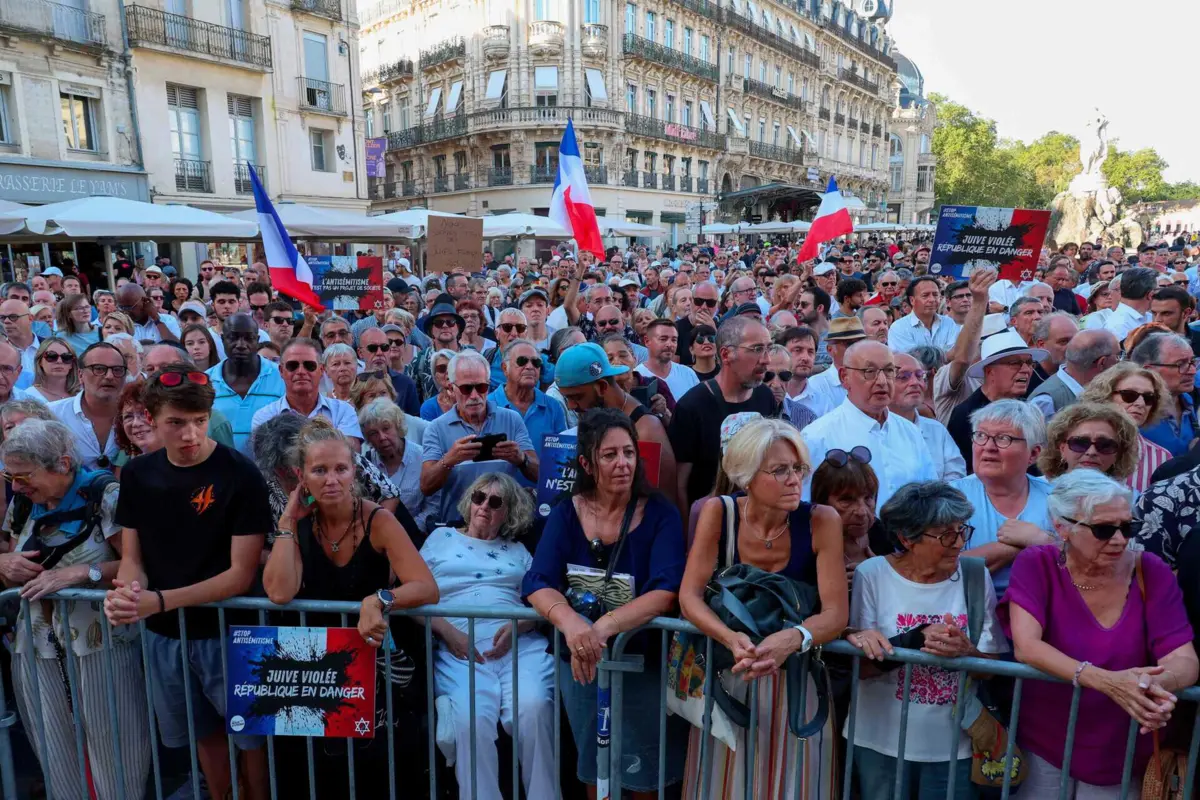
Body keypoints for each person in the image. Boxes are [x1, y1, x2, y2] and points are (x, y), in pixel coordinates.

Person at [103, 364, 272, 800]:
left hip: (232, 632)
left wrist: (156, 601)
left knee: (251, 737)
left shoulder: (240, 473)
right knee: (201, 735)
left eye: (198, 422)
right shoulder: (138, 475)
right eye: (176, 424)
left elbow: (239, 575)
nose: (190, 435)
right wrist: (127, 593)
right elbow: (132, 559)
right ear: (152, 420)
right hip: (165, 635)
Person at [261, 417, 438, 797]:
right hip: (318, 673)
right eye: (319, 470)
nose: (331, 480)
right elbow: (279, 592)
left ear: (354, 471)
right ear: (300, 475)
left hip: (379, 670)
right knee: (321, 775)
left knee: (381, 774)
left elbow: (425, 586)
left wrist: (380, 599)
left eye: (341, 469)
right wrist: (289, 520)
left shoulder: (379, 519)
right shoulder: (300, 524)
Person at [678, 418, 847, 799]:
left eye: (798, 468)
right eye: (780, 470)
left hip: (797, 680)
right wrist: (730, 637)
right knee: (724, 786)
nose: (794, 480)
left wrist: (794, 637)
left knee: (796, 785)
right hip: (731, 673)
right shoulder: (718, 513)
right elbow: (688, 597)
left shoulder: (822, 521)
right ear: (746, 476)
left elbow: (836, 614)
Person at [1001, 469, 1198, 795]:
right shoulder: (1037, 564)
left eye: (1127, 527)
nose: (1120, 539)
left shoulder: (1151, 570)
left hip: (1123, 745)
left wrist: (1152, 685)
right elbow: (1027, 647)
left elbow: (1184, 658)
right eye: (1104, 529)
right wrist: (1108, 682)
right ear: (1063, 528)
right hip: (1047, 739)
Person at [524, 408, 688, 796]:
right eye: (610, 455)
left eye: (629, 453)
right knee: (594, 769)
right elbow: (537, 581)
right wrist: (570, 622)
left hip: (641, 662)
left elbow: (666, 590)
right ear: (587, 463)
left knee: (644, 771)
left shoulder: (660, 512)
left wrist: (604, 626)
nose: (623, 463)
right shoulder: (567, 511)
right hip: (582, 662)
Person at [0, 418, 148, 799]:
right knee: (54, 747)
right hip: (36, 645)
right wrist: (5, 565)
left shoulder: (106, 495)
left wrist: (83, 573)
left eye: (24, 475)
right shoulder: (22, 502)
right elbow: (11, 568)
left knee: (114, 744)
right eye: (10, 475)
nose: (16, 485)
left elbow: (141, 566)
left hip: (102, 643)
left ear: (63, 464)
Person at [845, 481, 1007, 799]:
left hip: (954, 747)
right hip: (879, 743)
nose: (959, 542)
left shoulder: (975, 576)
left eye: (963, 530)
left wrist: (967, 652)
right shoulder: (873, 574)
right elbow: (861, 667)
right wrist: (915, 640)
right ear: (907, 538)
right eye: (946, 534)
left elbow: (992, 667)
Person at [421, 473, 556, 800]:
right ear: (469, 500)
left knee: (535, 706)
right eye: (479, 497)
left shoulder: (519, 551)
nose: (484, 506)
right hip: (459, 648)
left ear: (508, 513)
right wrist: (446, 630)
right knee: (472, 720)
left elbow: (546, 600)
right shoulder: (440, 541)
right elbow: (411, 597)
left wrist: (519, 626)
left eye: (496, 502)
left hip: (519, 645)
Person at [801, 341, 935, 510]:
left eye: (888, 371)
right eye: (869, 372)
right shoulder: (818, 436)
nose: (882, 381)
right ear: (844, 377)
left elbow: (930, 493)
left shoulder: (910, 431)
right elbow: (807, 506)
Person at [947, 400, 1053, 596]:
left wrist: (1041, 539)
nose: (988, 446)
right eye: (981, 436)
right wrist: (1022, 545)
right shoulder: (948, 499)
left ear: (1034, 453)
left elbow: (1080, 560)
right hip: (966, 614)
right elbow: (939, 570)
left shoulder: (1055, 500)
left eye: (1003, 438)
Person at [669, 317, 777, 510]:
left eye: (769, 348)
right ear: (726, 354)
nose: (766, 359)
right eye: (757, 349)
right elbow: (679, 484)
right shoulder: (692, 407)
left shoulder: (765, 396)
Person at [420, 350, 537, 527]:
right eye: (467, 389)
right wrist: (449, 460)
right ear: (451, 388)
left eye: (481, 388)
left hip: (504, 526)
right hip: (458, 526)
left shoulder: (511, 419)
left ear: (488, 386)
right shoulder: (436, 428)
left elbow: (539, 474)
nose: (474, 396)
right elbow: (426, 486)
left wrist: (521, 459)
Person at [946, 329, 1047, 472]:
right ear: (989, 371)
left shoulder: (1029, 409)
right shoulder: (965, 415)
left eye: (1030, 363)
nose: (1027, 369)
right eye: (1015, 363)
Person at [1078, 362, 1173, 492]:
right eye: (1129, 395)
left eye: (1148, 398)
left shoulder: (1162, 458)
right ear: (1105, 396)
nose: (1140, 403)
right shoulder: (1075, 447)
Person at [251, 338, 363, 446]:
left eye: (309, 365)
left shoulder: (343, 411)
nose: (301, 371)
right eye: (292, 366)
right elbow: (267, 461)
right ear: (281, 371)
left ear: (321, 370)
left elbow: (349, 456)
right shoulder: (265, 416)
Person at [206, 313, 285, 452]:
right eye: (233, 337)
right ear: (223, 339)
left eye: (249, 338)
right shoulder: (205, 381)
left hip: (269, 471)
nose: (241, 345)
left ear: (257, 340)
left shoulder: (281, 376)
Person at [48, 342, 127, 470]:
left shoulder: (138, 416)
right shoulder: (53, 414)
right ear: (80, 375)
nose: (109, 376)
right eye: (99, 369)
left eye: (117, 370)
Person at [890, 352, 966, 481]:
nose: (915, 382)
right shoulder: (873, 431)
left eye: (920, 376)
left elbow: (956, 477)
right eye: (903, 377)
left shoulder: (936, 430)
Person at [359, 398, 433, 530]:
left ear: (398, 426)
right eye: (373, 433)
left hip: (416, 536)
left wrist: (406, 531)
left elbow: (433, 507)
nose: (382, 437)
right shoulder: (367, 464)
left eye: (386, 428)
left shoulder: (423, 458)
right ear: (368, 439)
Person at [810, 446, 880, 585]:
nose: (861, 511)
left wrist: (882, 575)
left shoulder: (884, 536)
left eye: (868, 498)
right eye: (847, 500)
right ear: (822, 502)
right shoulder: (805, 545)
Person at [488, 339, 567, 452]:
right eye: (522, 361)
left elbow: (562, 456)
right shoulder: (488, 405)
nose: (530, 367)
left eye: (536, 362)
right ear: (505, 368)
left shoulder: (553, 406)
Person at [1037, 401, 1139, 487]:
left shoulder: (1129, 500)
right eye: (1080, 443)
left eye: (1105, 445)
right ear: (1062, 448)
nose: (1091, 452)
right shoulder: (1031, 492)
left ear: (1118, 454)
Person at [1129, 332, 1198, 456]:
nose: (1192, 371)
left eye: (1192, 362)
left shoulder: (1187, 400)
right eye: (1180, 364)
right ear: (1149, 371)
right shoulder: (1131, 410)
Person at [1028, 329, 1118, 420]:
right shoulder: (1046, 401)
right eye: (1118, 355)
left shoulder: (1106, 389)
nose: (1120, 361)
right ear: (1102, 363)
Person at [887, 275, 961, 353]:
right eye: (925, 296)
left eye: (935, 295)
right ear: (912, 300)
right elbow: (912, 360)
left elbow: (957, 354)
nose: (932, 299)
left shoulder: (949, 323)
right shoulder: (899, 328)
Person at [358, 327, 420, 415]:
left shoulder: (406, 384)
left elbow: (415, 423)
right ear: (360, 353)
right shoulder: (354, 384)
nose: (379, 353)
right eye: (372, 348)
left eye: (384, 347)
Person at [635, 318, 699, 402]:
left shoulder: (688, 374)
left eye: (674, 340)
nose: (670, 344)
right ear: (647, 341)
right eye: (663, 339)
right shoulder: (637, 376)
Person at [115, 283, 179, 343]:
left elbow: (177, 347)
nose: (125, 312)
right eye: (121, 307)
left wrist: (156, 320)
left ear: (144, 301)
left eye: (129, 307)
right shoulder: (119, 325)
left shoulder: (168, 320)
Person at [0, 298, 41, 389]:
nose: (6, 321)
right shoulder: (1, 351)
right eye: (2, 318)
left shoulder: (51, 348)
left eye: (13, 317)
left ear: (30, 318)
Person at [24, 337, 78, 404]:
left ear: (72, 364)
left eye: (66, 357)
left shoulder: (82, 395)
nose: (59, 361)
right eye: (51, 356)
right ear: (40, 362)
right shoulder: (28, 396)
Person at [419, 348, 458, 421]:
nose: (447, 372)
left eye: (451, 367)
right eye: (442, 368)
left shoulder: (469, 399)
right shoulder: (428, 407)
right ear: (435, 376)